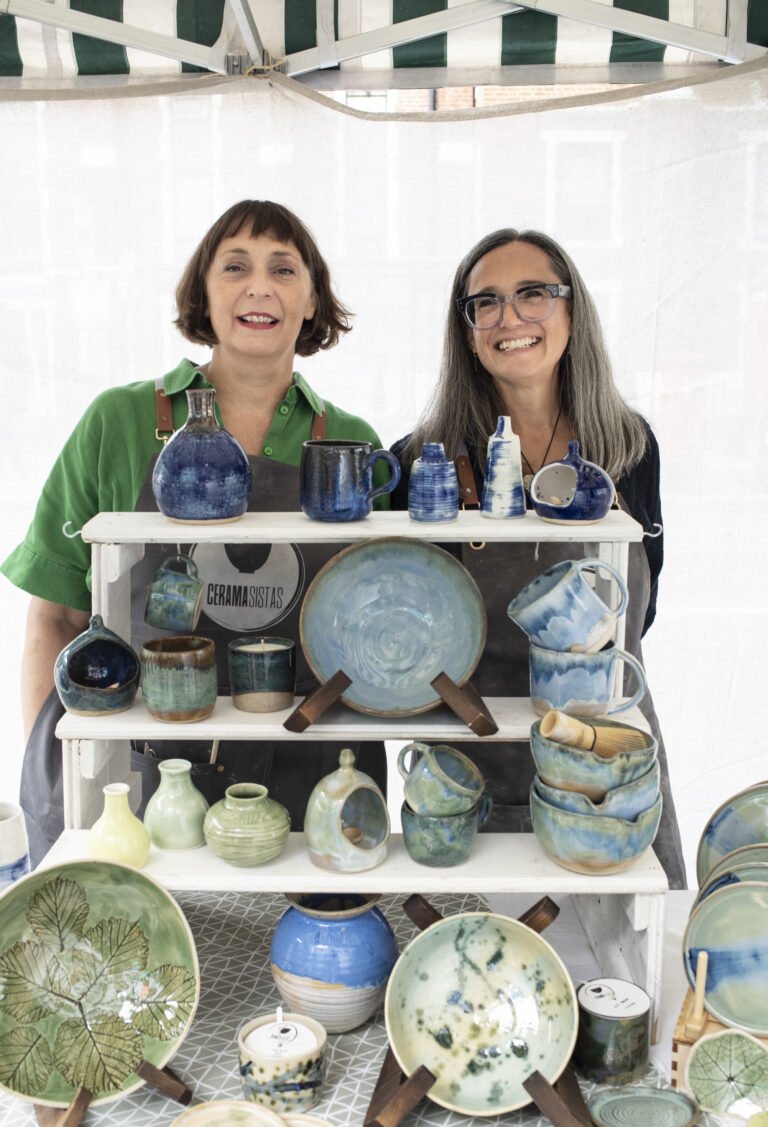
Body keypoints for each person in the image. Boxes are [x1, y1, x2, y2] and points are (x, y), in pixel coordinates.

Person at [3, 200, 388, 864]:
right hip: (134, 775)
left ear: (312, 300)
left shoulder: (353, 444)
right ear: (203, 294)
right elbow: (56, 618)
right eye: (234, 267)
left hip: (308, 780)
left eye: (283, 269)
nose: (259, 286)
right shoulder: (119, 421)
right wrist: (68, 766)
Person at [390, 227, 686, 888]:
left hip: (610, 766)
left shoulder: (630, 447)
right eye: (486, 302)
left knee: (630, 940)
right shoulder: (421, 463)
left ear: (571, 312)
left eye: (533, 294)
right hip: (475, 769)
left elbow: (641, 612)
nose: (510, 318)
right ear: (467, 332)